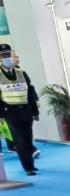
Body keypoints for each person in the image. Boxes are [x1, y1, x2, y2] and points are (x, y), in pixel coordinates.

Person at [0, 45, 40, 176]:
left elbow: (30, 91)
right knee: (20, 138)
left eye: (7, 55)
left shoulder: (21, 72)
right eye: (3, 56)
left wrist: (35, 110)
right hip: (10, 110)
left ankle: (30, 164)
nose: (6, 58)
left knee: (28, 137)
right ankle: (28, 167)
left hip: (25, 109)